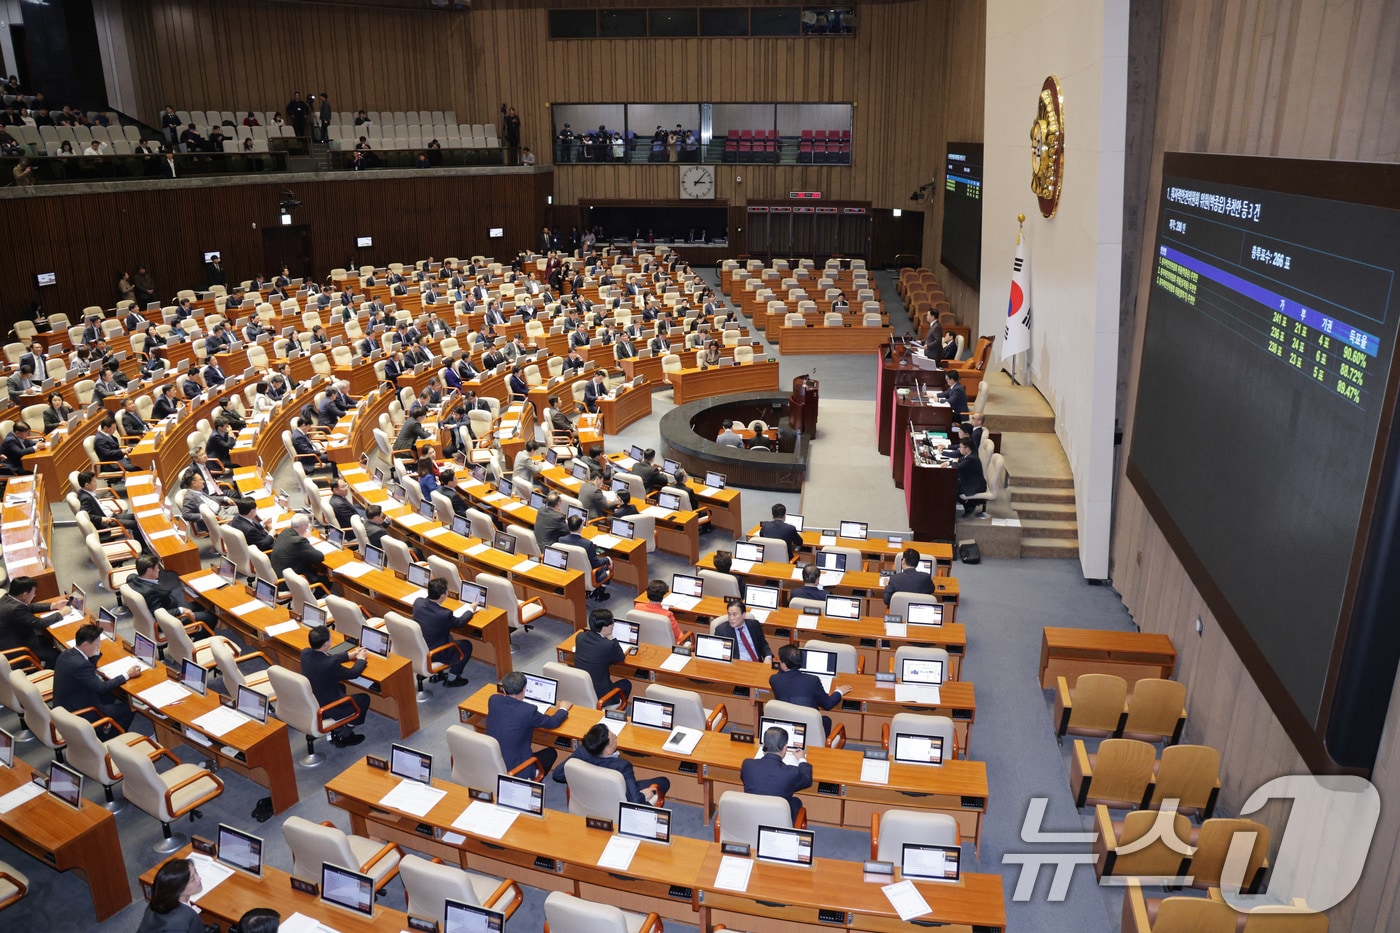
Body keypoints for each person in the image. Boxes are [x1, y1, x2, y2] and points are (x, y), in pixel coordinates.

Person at [54, 624, 140, 736]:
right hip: (80, 711)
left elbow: (88, 668)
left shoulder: (66, 654)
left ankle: (106, 724)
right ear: (85, 644)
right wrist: (127, 675)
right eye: (97, 644)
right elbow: (100, 688)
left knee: (113, 693)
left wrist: (95, 652)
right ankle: (111, 738)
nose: (99, 646)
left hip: (68, 702)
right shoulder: (81, 665)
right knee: (130, 709)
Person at [553, 721, 669, 803]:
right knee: (663, 782)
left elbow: (558, 775)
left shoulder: (581, 752)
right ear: (608, 749)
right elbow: (635, 800)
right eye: (614, 736)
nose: (616, 736)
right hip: (615, 802)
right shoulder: (622, 767)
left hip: (588, 797)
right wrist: (644, 794)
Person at [487, 670, 572, 775]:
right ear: (524, 689)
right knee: (551, 753)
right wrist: (563, 708)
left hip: (493, 760)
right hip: (517, 768)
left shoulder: (493, 700)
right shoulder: (527, 711)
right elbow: (552, 722)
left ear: (504, 689)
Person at [301, 625, 370, 746]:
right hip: (328, 708)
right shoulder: (330, 664)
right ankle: (346, 733)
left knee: (341, 687)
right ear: (326, 643)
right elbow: (353, 673)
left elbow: (328, 658)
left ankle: (343, 726)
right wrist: (361, 660)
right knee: (364, 699)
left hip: (313, 699)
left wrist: (350, 655)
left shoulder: (305, 653)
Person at [771, 644, 848, 736]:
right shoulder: (813, 680)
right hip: (810, 731)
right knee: (826, 720)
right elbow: (828, 705)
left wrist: (783, 667)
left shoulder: (774, 680)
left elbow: (782, 675)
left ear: (784, 664)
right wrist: (839, 691)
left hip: (786, 729)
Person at [129, 553, 220, 628]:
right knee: (210, 617)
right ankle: (198, 639)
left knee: (196, 599)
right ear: (149, 570)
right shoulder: (150, 593)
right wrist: (181, 610)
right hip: (170, 616)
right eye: (157, 568)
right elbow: (159, 615)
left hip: (168, 600)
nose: (159, 570)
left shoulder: (132, 578)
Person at [412, 577, 473, 687]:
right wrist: (471, 609)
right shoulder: (444, 614)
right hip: (435, 652)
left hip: (418, 646)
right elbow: (460, 622)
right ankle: (452, 679)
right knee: (466, 645)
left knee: (447, 635)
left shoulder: (418, 603)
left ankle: (440, 674)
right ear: (443, 596)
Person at [0, 575, 66, 666]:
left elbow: (28, 607)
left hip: (15, 638)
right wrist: (61, 614)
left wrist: (53, 605)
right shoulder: (16, 609)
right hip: (18, 647)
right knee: (55, 654)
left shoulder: (7, 598)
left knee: (49, 640)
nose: (34, 595)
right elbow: (39, 623)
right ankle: (49, 672)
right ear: (25, 595)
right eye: (34, 592)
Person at [573, 608, 632, 702]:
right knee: (626, 684)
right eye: (612, 623)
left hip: (581, 690)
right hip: (601, 696)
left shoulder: (580, 637)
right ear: (604, 628)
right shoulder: (608, 645)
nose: (613, 625)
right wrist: (612, 638)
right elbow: (621, 657)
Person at [135, 856, 204, 933]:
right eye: (192, 879)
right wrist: (190, 915)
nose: (199, 878)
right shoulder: (185, 921)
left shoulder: (156, 902)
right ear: (179, 889)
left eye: (196, 872)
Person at [75, 469, 142, 539]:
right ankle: (142, 546)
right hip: (109, 521)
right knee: (135, 524)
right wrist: (101, 519)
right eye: (94, 481)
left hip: (111, 515)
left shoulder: (83, 491)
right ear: (87, 485)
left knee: (136, 516)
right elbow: (85, 516)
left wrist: (104, 507)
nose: (96, 483)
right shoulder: (86, 498)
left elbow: (94, 505)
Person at [272, 513, 332, 588]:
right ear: (303, 527)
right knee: (327, 582)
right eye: (308, 526)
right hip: (288, 582)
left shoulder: (285, 532)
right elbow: (319, 557)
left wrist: (301, 536)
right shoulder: (298, 541)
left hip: (279, 573)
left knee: (313, 568)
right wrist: (305, 540)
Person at [560, 514, 613, 598]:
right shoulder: (587, 544)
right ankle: (600, 593)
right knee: (608, 564)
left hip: (571, 572)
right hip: (589, 575)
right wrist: (607, 559)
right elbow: (596, 564)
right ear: (581, 527)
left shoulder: (561, 540)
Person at [956, 437, 989, 517]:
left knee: (953, 489)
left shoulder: (971, 458)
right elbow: (959, 461)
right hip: (972, 481)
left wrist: (949, 464)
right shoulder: (970, 455)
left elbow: (958, 467)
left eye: (961, 447)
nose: (959, 449)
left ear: (967, 448)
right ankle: (969, 504)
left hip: (975, 485)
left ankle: (969, 506)